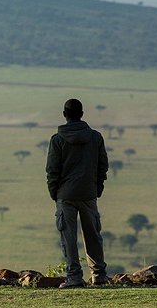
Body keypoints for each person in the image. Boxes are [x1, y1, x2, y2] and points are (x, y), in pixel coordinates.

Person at [46, 98, 110, 288]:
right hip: (89, 192)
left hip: (65, 195)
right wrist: (97, 188)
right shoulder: (96, 137)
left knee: (69, 237)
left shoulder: (57, 140)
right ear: (82, 115)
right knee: (93, 235)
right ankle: (98, 275)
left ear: (65, 115)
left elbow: (52, 170)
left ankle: (74, 277)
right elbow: (103, 166)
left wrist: (54, 193)